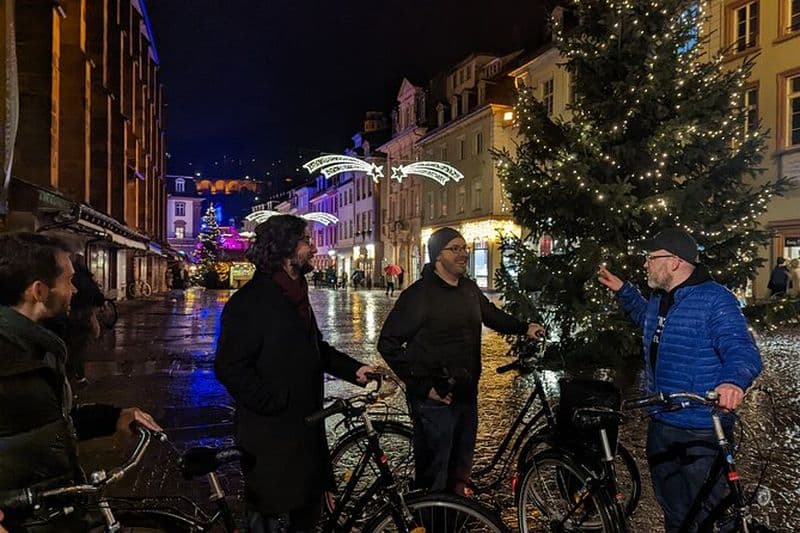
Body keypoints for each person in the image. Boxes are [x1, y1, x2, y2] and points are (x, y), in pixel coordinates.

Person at [214, 215, 373, 533]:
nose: (313, 248)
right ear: (286, 249)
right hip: (270, 438)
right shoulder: (249, 303)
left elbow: (316, 349)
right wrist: (275, 401)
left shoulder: (297, 294)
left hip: (305, 433)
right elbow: (229, 367)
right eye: (306, 241)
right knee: (270, 519)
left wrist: (355, 370)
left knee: (307, 516)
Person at [597, 227, 762, 532]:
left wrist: (732, 383)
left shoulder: (716, 300)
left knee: (713, 515)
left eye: (651, 257)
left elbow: (741, 349)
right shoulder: (661, 299)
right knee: (675, 513)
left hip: (701, 429)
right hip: (662, 423)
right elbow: (649, 320)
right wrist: (624, 292)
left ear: (674, 261)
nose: (645, 263)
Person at [0, 232, 162, 532]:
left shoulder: (40, 346)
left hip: (52, 513)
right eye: (68, 280)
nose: (74, 289)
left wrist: (112, 417)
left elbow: (47, 424)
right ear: (39, 291)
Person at [378, 227, 544, 495]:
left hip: (466, 392)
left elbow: (490, 315)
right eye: (454, 249)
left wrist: (525, 327)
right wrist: (423, 386)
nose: (462, 254)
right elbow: (388, 343)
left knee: (460, 471)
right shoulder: (419, 295)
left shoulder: (468, 288)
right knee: (435, 476)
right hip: (435, 399)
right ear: (437, 256)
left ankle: (455, 517)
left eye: (464, 248)